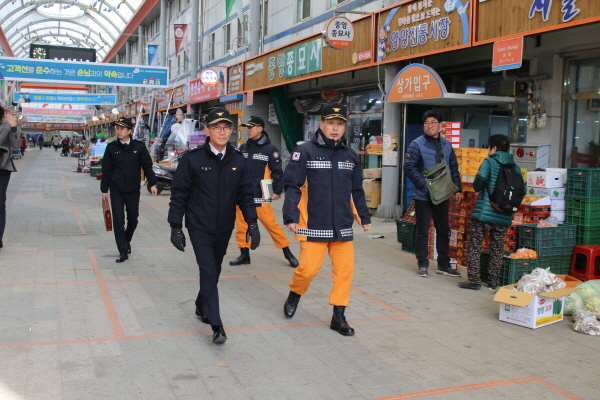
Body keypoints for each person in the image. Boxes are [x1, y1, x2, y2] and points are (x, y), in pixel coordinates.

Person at [168, 108, 259, 344]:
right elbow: (179, 194)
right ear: (207, 130)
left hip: (224, 226)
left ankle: (201, 304)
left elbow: (245, 194)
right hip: (199, 226)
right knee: (208, 270)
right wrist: (175, 226)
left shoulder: (238, 160)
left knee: (214, 270)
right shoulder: (193, 158)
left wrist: (252, 222)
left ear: (231, 130)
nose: (221, 132)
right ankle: (217, 325)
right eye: (216, 127)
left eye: (226, 127)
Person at [281, 104, 371, 337]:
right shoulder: (305, 152)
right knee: (307, 270)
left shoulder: (350, 156)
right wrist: (291, 216)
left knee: (345, 272)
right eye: (331, 123)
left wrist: (364, 216)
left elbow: (356, 190)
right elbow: (293, 185)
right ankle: (295, 293)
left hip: (342, 225)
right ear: (321, 124)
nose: (335, 128)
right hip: (314, 224)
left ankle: (338, 316)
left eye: (340, 124)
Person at [229, 116, 299, 268]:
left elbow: (277, 172)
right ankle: (244, 254)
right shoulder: (243, 148)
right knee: (242, 226)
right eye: (247, 127)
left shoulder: (270, 149)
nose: (248, 130)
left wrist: (277, 190)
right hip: (243, 194)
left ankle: (287, 252)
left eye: (251, 127)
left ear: (260, 129)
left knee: (271, 224)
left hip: (264, 191)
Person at [404, 110, 461, 278]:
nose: (429, 126)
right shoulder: (416, 144)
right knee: (423, 230)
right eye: (426, 123)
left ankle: (443, 265)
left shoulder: (447, 145)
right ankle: (422, 264)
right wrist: (424, 186)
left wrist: (457, 188)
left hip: (442, 195)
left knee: (443, 229)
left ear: (440, 126)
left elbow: (453, 168)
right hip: (423, 196)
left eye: (433, 122)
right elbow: (409, 167)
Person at [459, 135, 521, 290]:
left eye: (489, 147)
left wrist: (477, 187)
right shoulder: (515, 167)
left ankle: (474, 280)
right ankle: (493, 282)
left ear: (494, 148)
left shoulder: (489, 162)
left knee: (475, 245)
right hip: (504, 214)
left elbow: (480, 178)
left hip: (484, 212)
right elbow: (522, 189)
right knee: (497, 248)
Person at [101, 117, 158, 263]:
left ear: (129, 131)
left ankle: (126, 241)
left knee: (133, 219)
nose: (118, 131)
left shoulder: (139, 147)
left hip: (133, 190)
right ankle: (123, 250)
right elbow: (106, 170)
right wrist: (104, 190)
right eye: (117, 128)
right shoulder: (111, 148)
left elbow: (147, 166)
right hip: (116, 190)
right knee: (118, 220)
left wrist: (152, 183)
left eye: (121, 129)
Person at [0, 109, 19, 250]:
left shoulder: (7, 124)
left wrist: (13, 127)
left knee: (0, 202)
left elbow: (16, 145)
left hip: (2, 167)